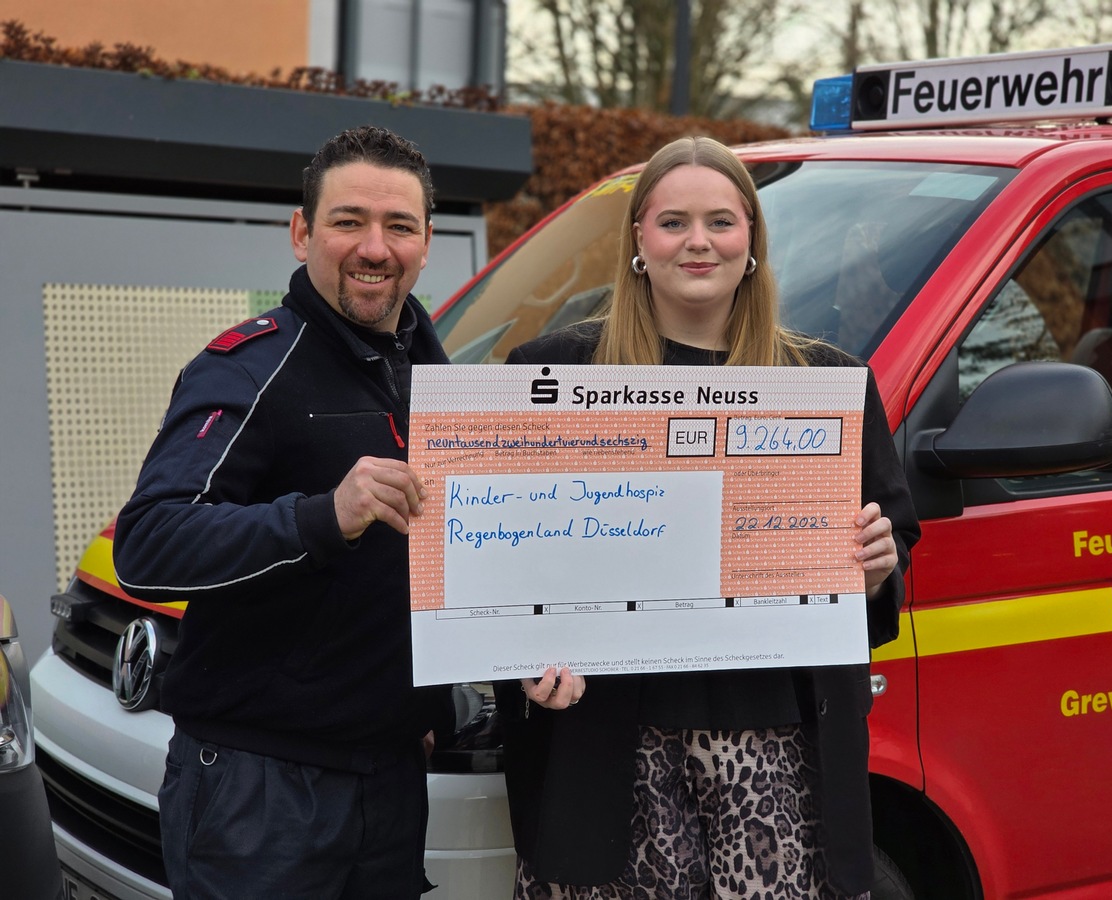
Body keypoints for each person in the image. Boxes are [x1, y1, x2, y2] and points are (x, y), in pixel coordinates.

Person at [497, 136, 921, 900]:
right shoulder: (549, 374)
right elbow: (502, 560)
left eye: (721, 222)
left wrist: (873, 573)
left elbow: (890, 549)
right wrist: (524, 656)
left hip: (781, 748)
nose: (699, 242)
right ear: (639, 240)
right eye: (674, 223)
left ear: (751, 240)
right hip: (602, 749)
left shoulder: (828, 385)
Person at [113, 125, 452, 900]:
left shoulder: (439, 378)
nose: (375, 247)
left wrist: (432, 699)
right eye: (348, 221)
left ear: (426, 244)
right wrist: (323, 516)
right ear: (302, 233)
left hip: (392, 782)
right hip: (258, 792)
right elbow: (148, 543)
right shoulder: (249, 367)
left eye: (399, 226)